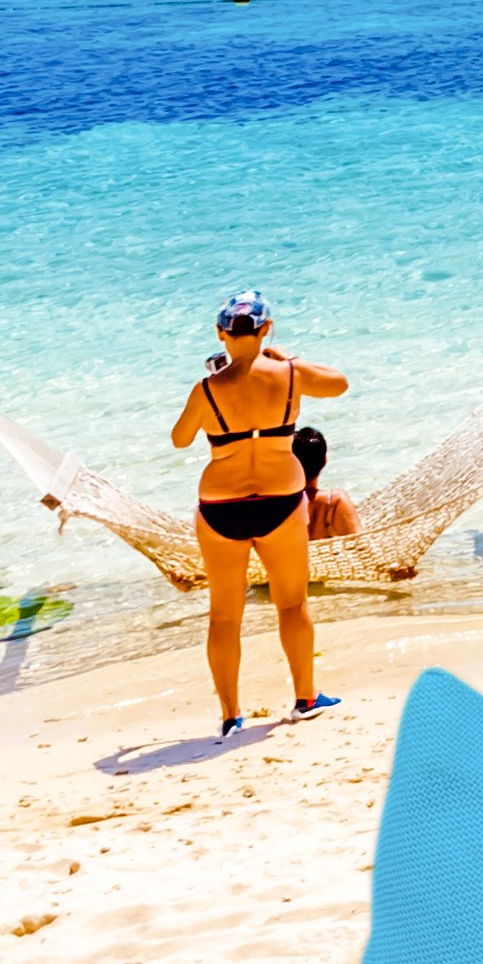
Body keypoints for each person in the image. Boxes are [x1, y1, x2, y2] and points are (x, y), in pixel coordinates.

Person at [167, 291, 354, 738]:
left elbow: (179, 439)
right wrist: (288, 357)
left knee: (224, 616)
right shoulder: (290, 374)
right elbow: (339, 382)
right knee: (291, 603)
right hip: (281, 502)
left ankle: (232, 715)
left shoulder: (207, 388)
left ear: (221, 334)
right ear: (266, 329)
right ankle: (306, 698)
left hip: (221, 507)